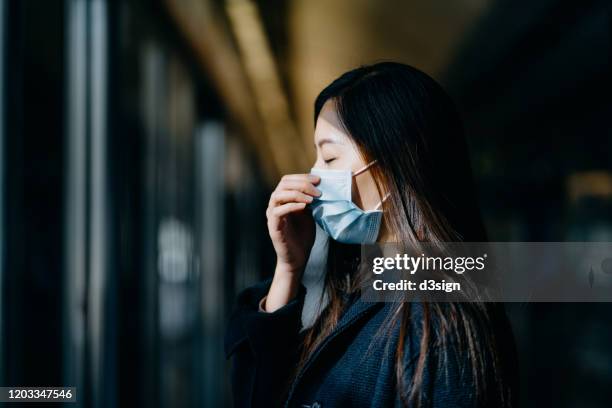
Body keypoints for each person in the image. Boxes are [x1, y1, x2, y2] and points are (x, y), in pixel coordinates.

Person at [224, 62, 518, 407]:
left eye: (330, 157)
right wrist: (288, 269)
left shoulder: (439, 332)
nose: (314, 175)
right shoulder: (361, 289)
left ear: (393, 164)